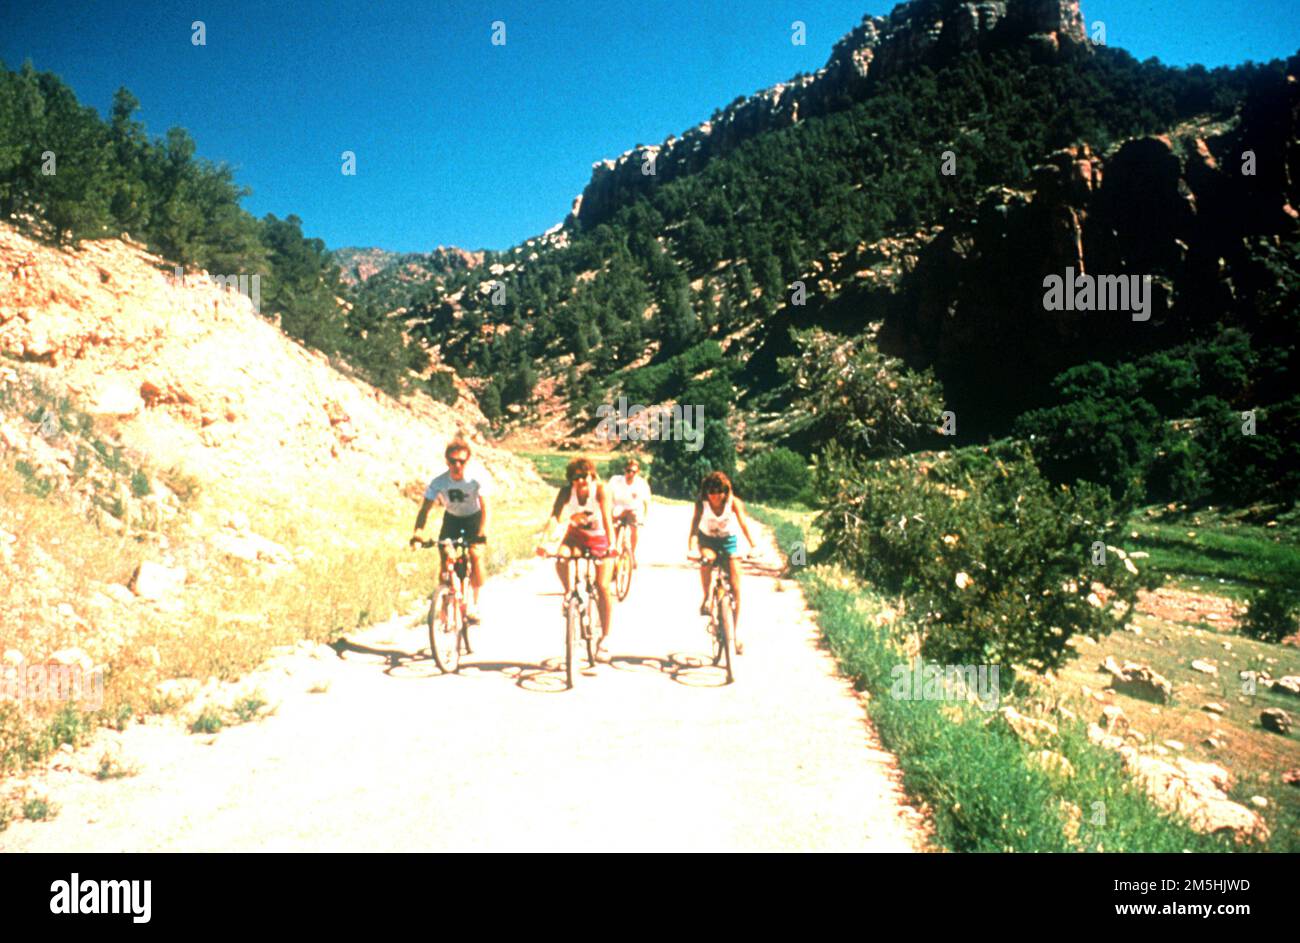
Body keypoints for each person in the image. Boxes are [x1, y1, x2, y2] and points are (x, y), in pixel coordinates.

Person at [535, 457, 615, 661]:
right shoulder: (566, 493)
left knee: (602, 586)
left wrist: (612, 546)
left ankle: (605, 638)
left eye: (585, 476)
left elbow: (607, 519)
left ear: (592, 475)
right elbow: (555, 518)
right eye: (576, 478)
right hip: (576, 538)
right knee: (561, 557)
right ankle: (569, 592)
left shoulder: (601, 490)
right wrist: (544, 541)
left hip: (600, 539)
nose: (581, 481)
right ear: (571, 480)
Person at [411, 437, 491, 622]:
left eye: (461, 461)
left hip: (473, 519)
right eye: (453, 461)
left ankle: (475, 604)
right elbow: (425, 509)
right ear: (447, 461)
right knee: (446, 555)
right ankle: (445, 602)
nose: (457, 465)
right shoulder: (439, 482)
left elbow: (486, 508)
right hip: (452, 520)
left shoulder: (475, 480)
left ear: (467, 461)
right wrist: (418, 533)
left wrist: (482, 532)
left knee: (475, 555)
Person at [688, 471, 756, 654]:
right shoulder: (702, 504)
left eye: (718, 491)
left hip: (728, 540)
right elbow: (694, 524)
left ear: (725, 492)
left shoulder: (733, 503)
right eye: (710, 491)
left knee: (736, 586)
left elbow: (743, 524)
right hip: (708, 539)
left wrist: (754, 545)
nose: (714, 495)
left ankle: (734, 632)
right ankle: (707, 597)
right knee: (706, 560)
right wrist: (692, 546)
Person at [607, 457, 650, 567]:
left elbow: (646, 503)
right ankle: (613, 551)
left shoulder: (641, 484)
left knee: (635, 528)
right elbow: (607, 497)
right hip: (618, 508)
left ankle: (632, 554)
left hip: (633, 510)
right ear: (624, 470)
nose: (630, 474)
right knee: (614, 529)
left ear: (637, 472)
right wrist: (608, 513)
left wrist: (644, 519)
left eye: (633, 471)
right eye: (628, 471)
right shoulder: (615, 481)